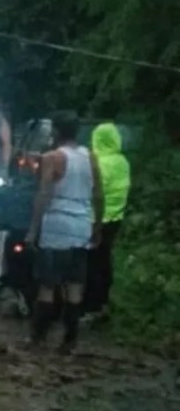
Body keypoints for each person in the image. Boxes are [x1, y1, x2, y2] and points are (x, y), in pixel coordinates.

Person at [27, 110, 103, 350]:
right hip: (81, 226)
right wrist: (97, 225)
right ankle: (70, 339)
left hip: (57, 226)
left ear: (56, 131)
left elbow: (44, 193)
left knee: (48, 285)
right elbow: (99, 194)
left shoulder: (52, 157)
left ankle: (38, 337)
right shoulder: (89, 157)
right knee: (74, 286)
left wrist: (33, 229)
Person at [85, 122, 130, 317]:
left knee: (91, 263)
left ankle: (91, 305)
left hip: (96, 218)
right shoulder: (122, 161)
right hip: (116, 217)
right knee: (105, 260)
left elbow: (94, 192)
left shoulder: (99, 163)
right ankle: (103, 302)